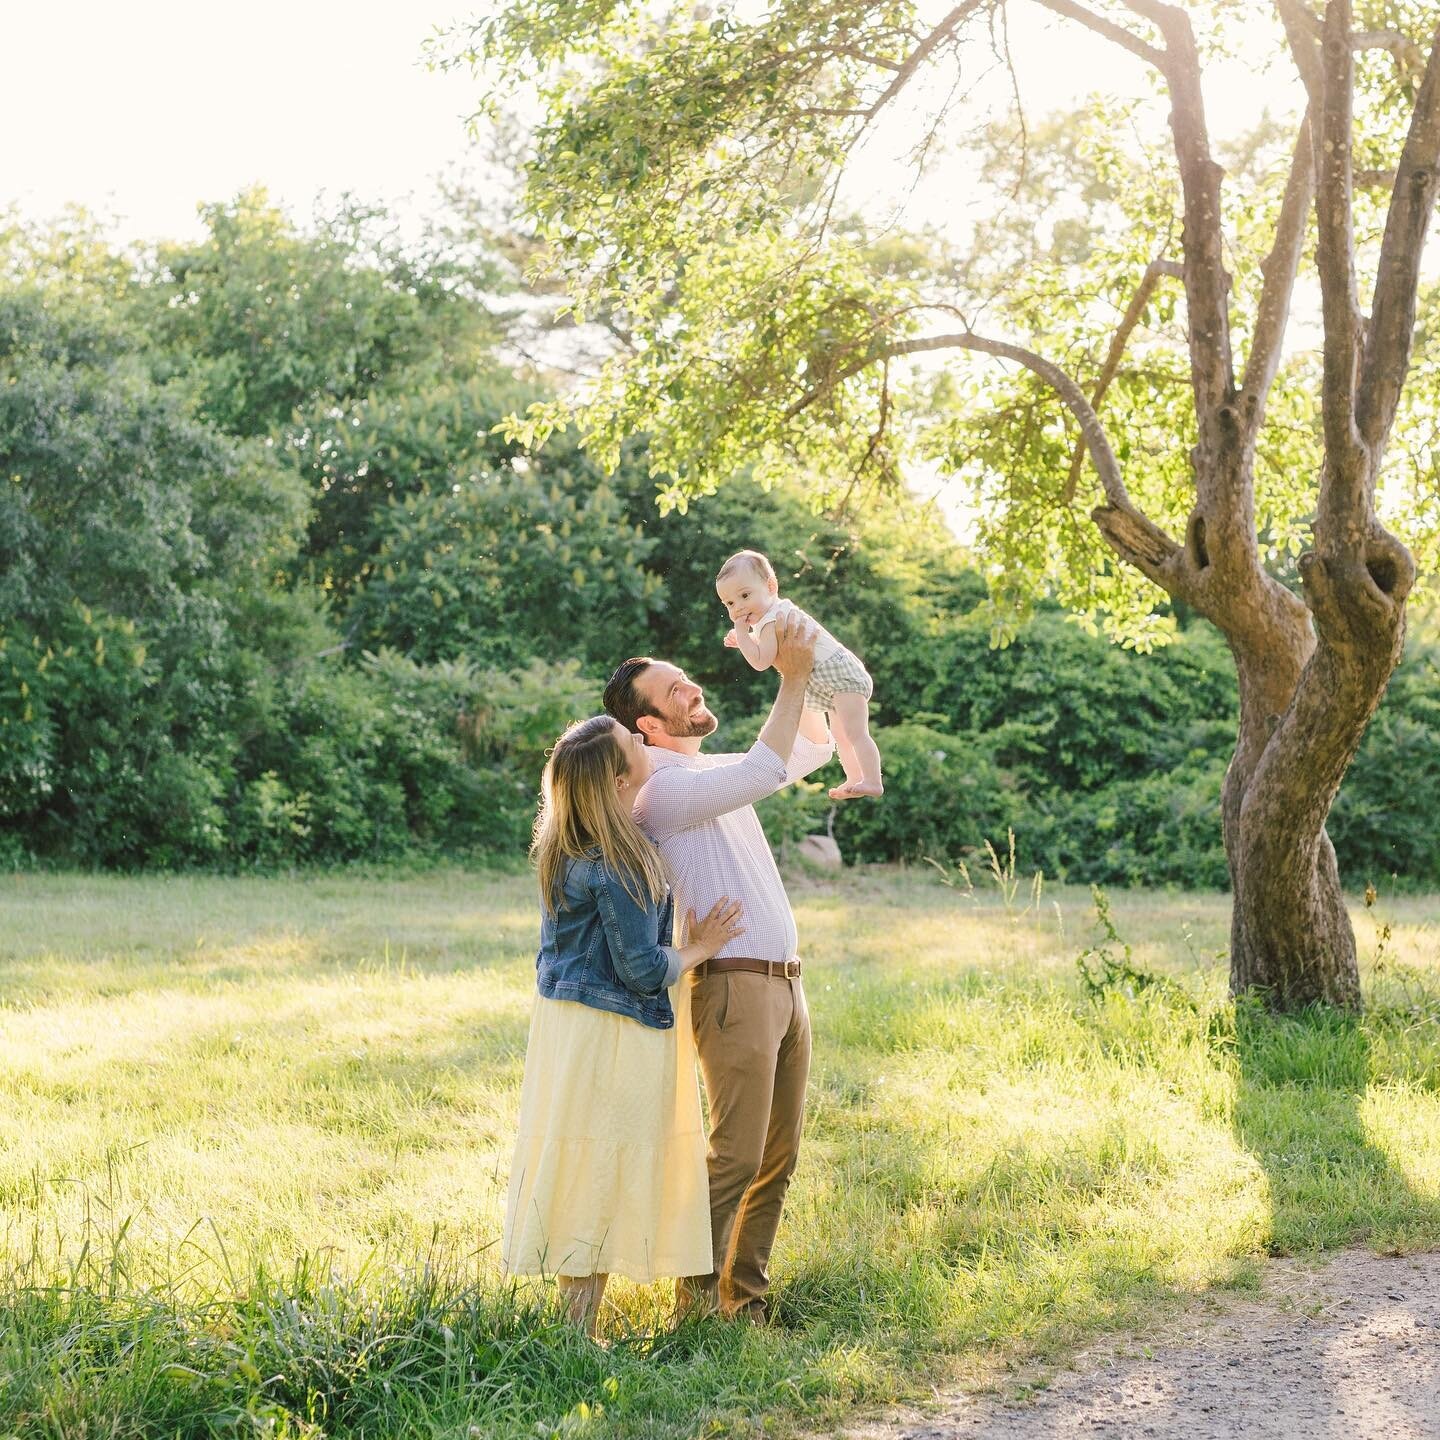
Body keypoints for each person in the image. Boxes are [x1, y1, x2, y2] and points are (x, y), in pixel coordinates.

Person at [602, 610, 831, 1322]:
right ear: (647, 726)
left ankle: (748, 1302)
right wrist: (789, 679)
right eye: (673, 690)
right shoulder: (663, 791)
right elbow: (769, 764)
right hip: (734, 985)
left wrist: (805, 664)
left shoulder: (707, 772)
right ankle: (694, 1311)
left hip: (784, 983)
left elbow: (809, 751)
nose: (691, 687)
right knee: (736, 1157)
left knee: (778, 1157)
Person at [502, 714, 746, 1337]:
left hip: (568, 1029)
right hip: (614, 1034)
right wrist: (700, 946)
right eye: (632, 743)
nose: (643, 743)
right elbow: (640, 970)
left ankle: (574, 1330)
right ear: (616, 777)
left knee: (584, 1166)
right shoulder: (619, 861)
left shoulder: (565, 846)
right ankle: (577, 1337)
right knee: (604, 1166)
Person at [716, 548, 882, 800]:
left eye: (745, 595)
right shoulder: (770, 617)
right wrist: (747, 640)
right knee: (842, 736)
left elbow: (761, 661)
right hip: (829, 683)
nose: (738, 608)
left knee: (855, 732)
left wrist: (742, 635)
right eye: (730, 603)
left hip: (840, 675)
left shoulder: (773, 619)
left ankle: (873, 780)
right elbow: (769, 647)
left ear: (771, 586)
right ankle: (855, 779)